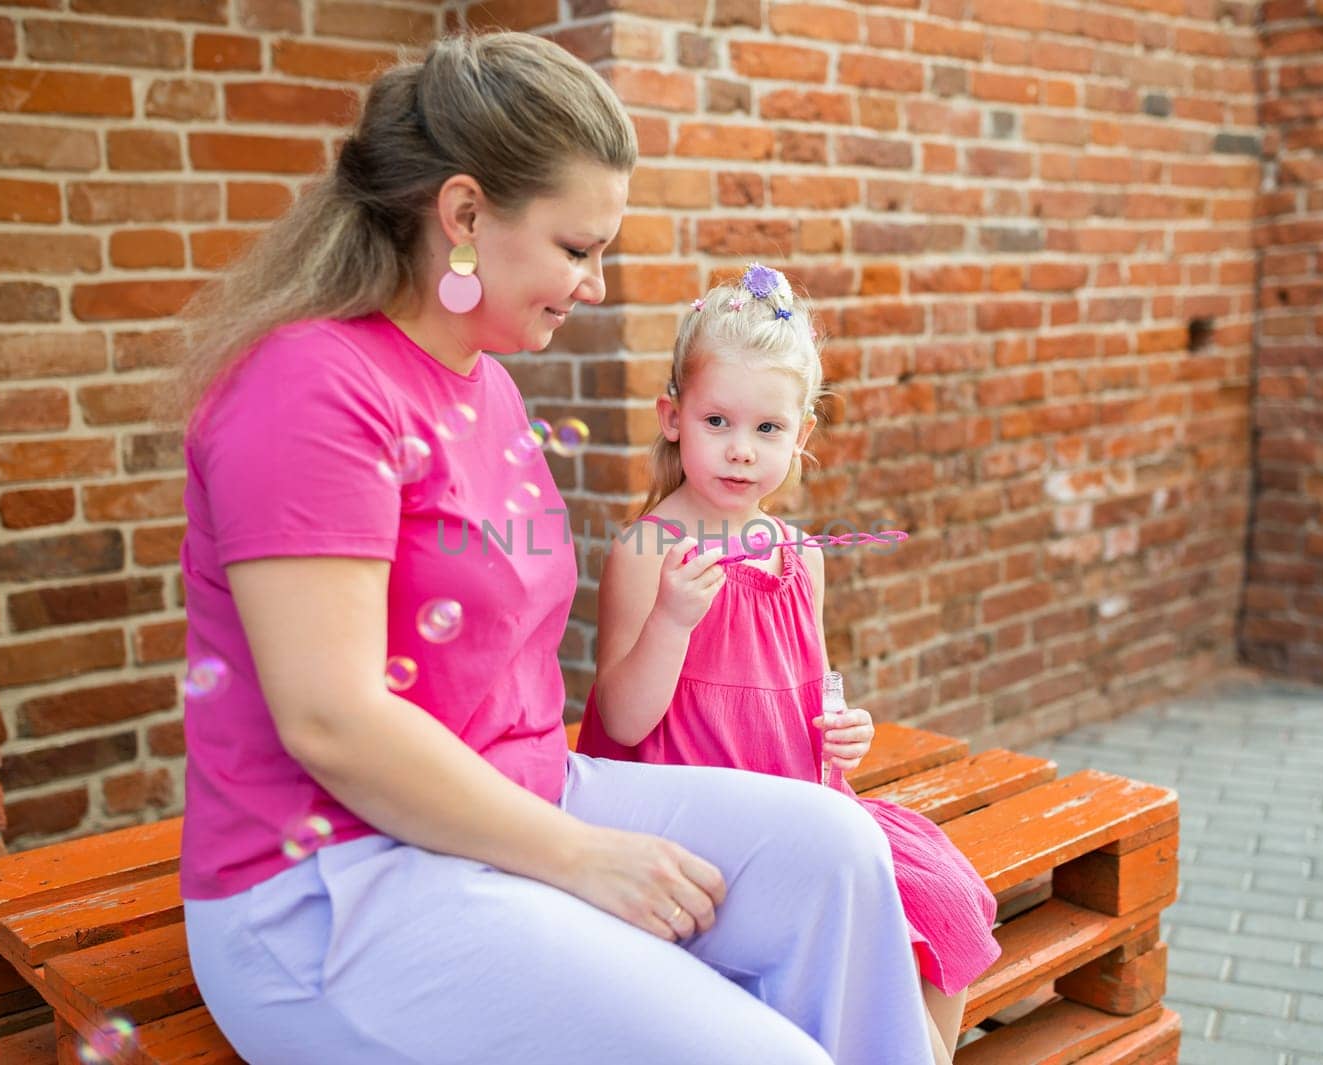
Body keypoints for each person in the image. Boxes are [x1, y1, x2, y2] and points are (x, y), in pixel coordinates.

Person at [172, 31, 938, 1064]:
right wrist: (582, 859)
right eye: (578, 249)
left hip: (520, 799)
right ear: (464, 216)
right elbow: (331, 720)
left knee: (838, 851)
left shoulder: (482, 383)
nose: (598, 288)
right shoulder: (310, 388)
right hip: (332, 891)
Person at [575, 264, 1002, 1064]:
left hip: (804, 792)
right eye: (718, 421)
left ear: (800, 436)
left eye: (768, 430)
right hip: (698, 810)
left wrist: (844, 730)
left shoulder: (800, 556)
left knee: (942, 898)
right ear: (673, 418)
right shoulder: (649, 549)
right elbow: (624, 719)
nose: (742, 451)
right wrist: (671, 619)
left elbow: (817, 688)